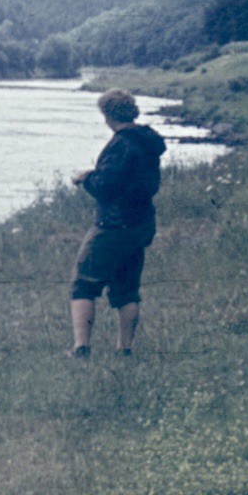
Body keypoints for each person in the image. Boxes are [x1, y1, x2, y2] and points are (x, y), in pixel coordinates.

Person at [66, 89, 166, 359]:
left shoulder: (121, 143)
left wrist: (85, 179)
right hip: (140, 223)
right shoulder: (148, 142)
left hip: (113, 224)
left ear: (108, 115)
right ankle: (125, 350)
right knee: (127, 289)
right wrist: (96, 174)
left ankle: (81, 349)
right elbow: (130, 179)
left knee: (83, 283)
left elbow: (106, 187)